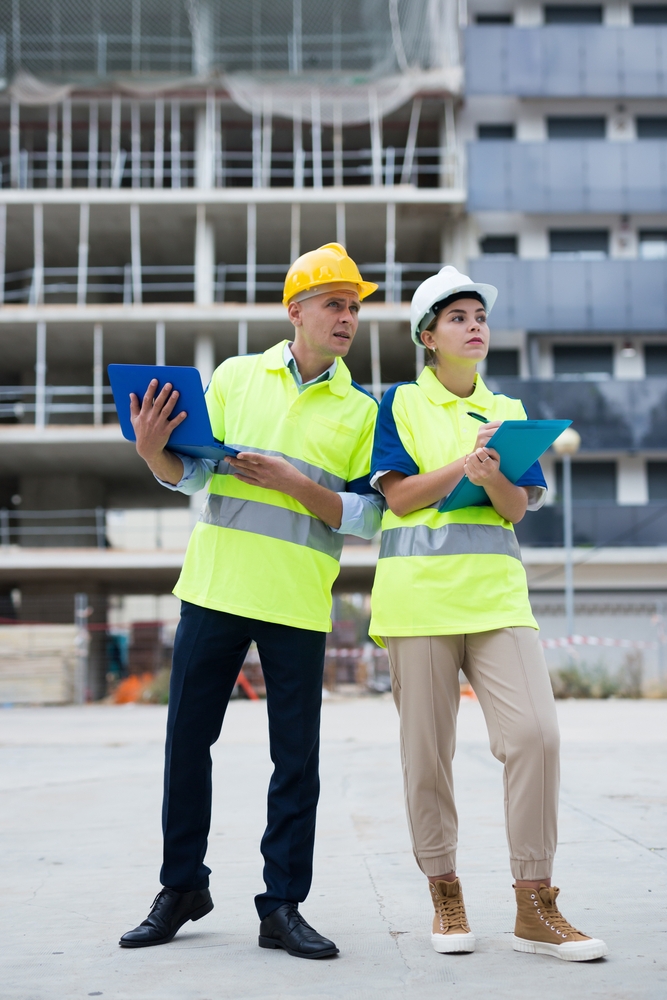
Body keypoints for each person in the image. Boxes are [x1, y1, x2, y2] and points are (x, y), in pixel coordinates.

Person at [119, 244, 382, 959]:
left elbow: (366, 516)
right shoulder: (236, 376)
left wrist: (294, 483)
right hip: (215, 587)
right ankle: (182, 887)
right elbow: (193, 471)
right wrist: (151, 452)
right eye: (334, 304)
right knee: (186, 742)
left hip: (297, 600)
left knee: (295, 759)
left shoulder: (363, 410)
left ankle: (282, 905)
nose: (347, 318)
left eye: (353, 307)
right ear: (295, 310)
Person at [368, 266, 608, 962]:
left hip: (498, 599)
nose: (475, 327)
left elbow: (514, 509)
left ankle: (535, 904)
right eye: (458, 318)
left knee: (536, 736)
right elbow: (399, 497)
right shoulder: (399, 403)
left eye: (479, 317)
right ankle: (445, 892)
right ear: (428, 337)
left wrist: (495, 472)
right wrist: (465, 463)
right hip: (418, 602)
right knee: (426, 756)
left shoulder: (506, 408)